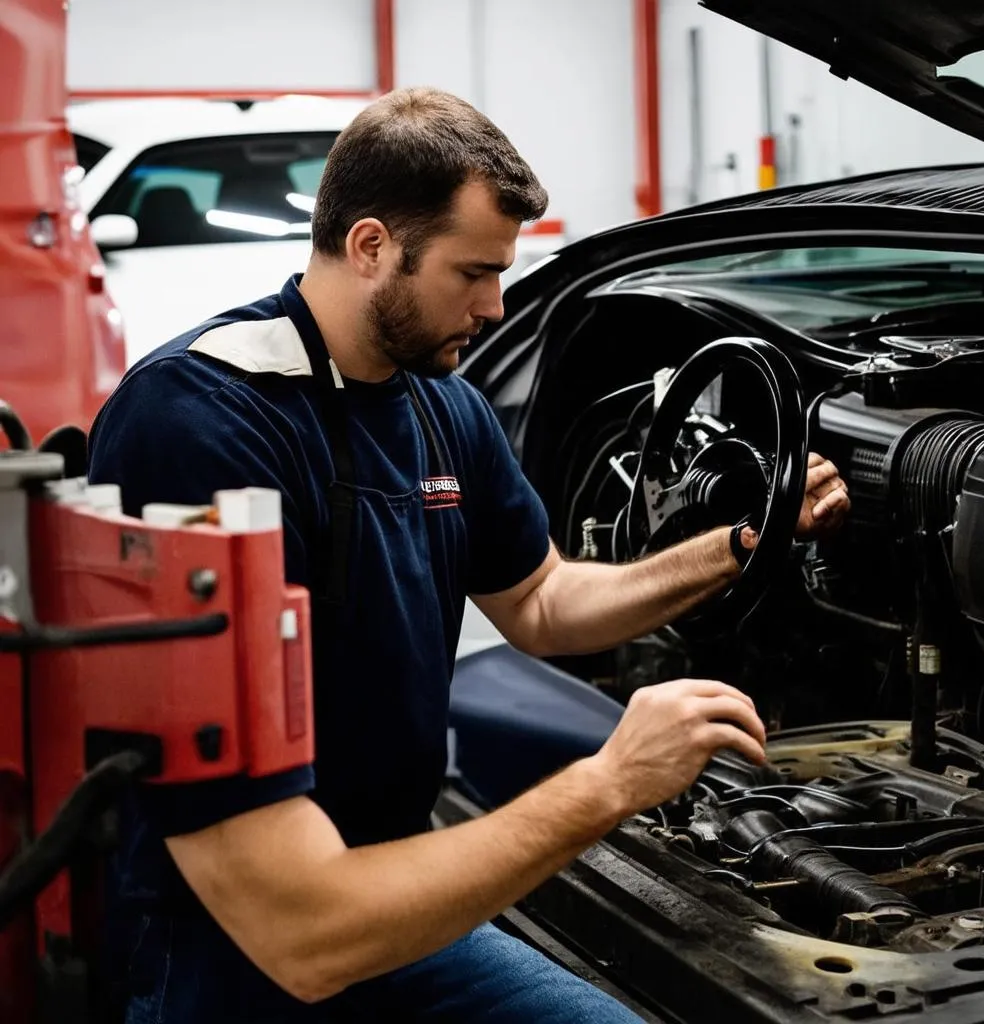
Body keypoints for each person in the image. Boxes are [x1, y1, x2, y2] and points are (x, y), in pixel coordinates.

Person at [88, 87, 850, 1023]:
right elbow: (301, 935)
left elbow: (544, 601)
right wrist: (611, 780)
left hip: (393, 896)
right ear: (371, 247)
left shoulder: (442, 406)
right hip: (234, 945)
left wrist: (744, 542)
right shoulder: (202, 424)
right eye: (473, 273)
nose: (495, 306)